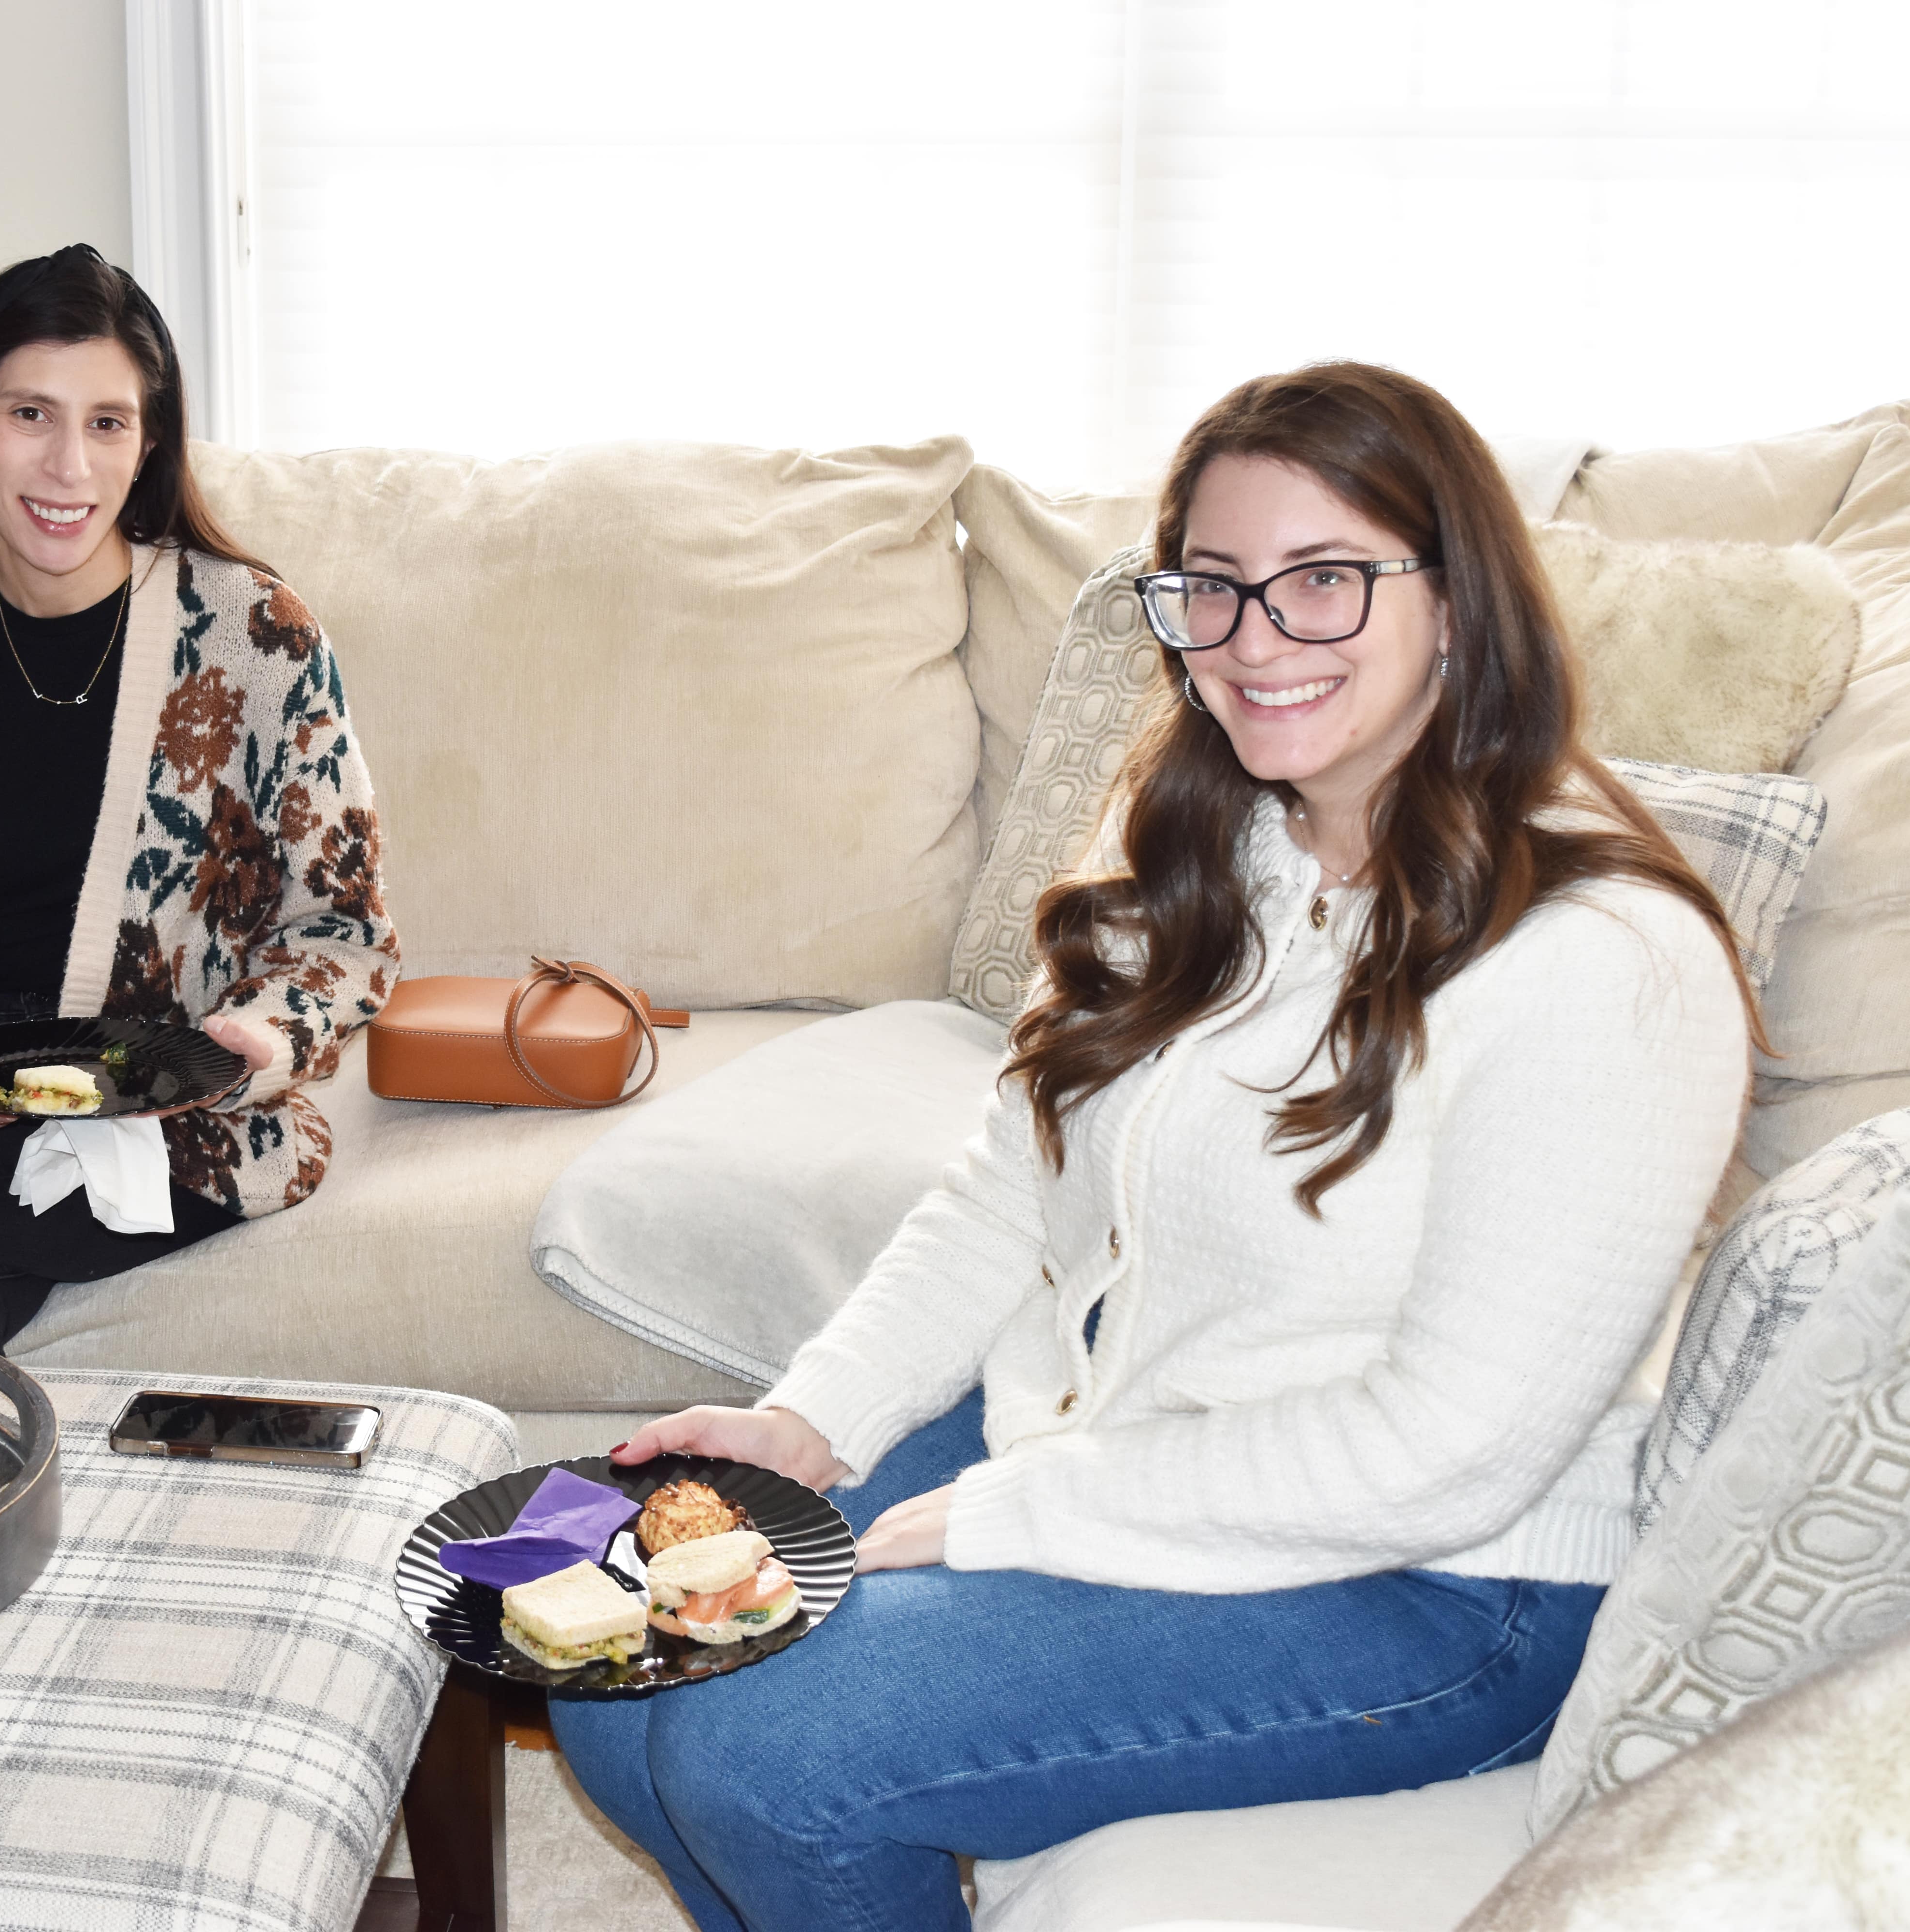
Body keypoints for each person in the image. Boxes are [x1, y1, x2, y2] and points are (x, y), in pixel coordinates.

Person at [552, 363, 1756, 1932]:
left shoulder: (1604, 964)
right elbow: (1010, 1193)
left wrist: (1009, 1517)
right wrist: (814, 1421)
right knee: (625, 1657)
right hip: (1120, 1425)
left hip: (1440, 1583)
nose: (1253, 641)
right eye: (1213, 585)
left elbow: (1453, 1450)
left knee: (771, 1747)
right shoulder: (1195, 840)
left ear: (1459, 603)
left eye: (1323, 581)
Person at [0, 244, 398, 1350]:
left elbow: (341, 930)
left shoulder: (257, 636)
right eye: (30, 415)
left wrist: (254, 1038)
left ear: (146, 443)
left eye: (107, 422)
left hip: (178, 1127)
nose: (69, 467)